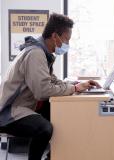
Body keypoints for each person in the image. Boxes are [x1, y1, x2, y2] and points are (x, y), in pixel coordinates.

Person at [0, 13, 100, 160]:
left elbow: (52, 80)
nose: (67, 44)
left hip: (22, 107)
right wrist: (75, 89)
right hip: (8, 112)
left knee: (62, 114)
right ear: (55, 36)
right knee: (44, 129)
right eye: (66, 39)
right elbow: (43, 91)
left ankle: (57, 156)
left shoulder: (41, 53)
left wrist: (76, 85)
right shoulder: (35, 54)